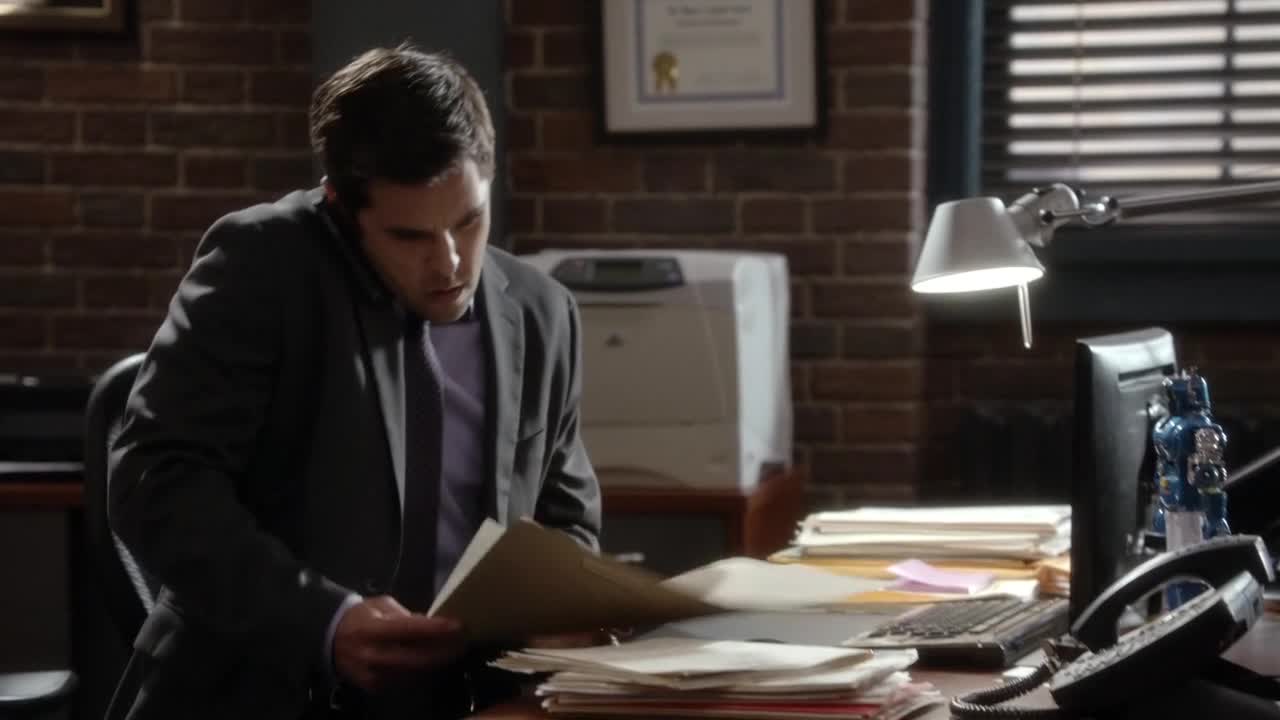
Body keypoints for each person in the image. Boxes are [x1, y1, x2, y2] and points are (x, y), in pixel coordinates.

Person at [106, 44, 601, 720]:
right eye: (410, 237)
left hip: (465, 699)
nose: (450, 264)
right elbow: (154, 482)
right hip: (261, 692)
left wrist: (558, 611)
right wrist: (327, 621)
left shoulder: (543, 313)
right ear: (340, 206)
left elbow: (566, 520)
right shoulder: (262, 267)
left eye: (469, 222)